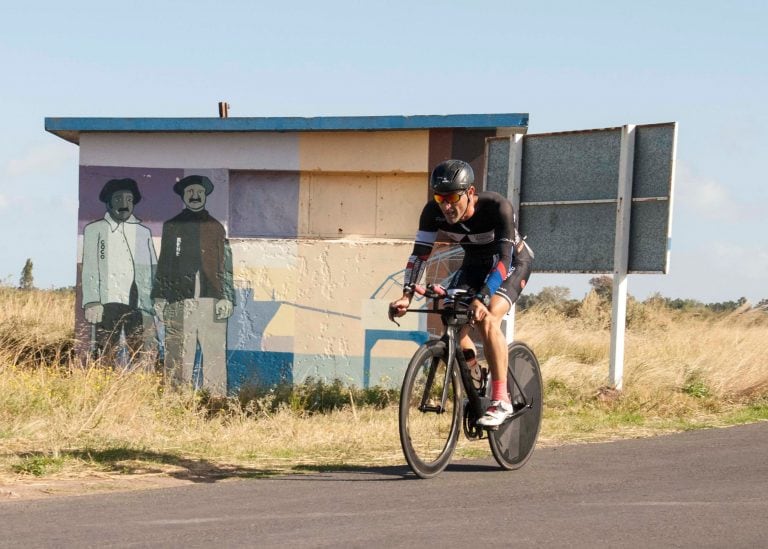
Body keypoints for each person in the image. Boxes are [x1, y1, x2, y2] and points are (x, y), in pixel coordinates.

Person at [389, 159, 533, 427]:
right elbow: (419, 255)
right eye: (440, 198)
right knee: (452, 318)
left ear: (469, 192)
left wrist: (483, 297)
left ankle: (501, 399)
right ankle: (476, 379)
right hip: (474, 266)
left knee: (488, 318)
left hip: (511, 265)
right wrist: (406, 295)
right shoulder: (432, 212)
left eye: (453, 197)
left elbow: (504, 258)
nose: (446, 206)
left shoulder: (496, 207)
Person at [152, 175, 235, 397]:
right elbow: (165, 262)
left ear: (205, 195)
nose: (195, 196)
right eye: (190, 192)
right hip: (179, 299)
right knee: (178, 354)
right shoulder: (173, 226)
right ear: (183, 196)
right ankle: (175, 401)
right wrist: (159, 298)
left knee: (215, 354)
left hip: (212, 299)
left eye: (199, 192)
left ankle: (216, 401)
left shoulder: (216, 227)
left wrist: (227, 297)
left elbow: (225, 264)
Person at [81, 178, 158, 363]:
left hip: (140, 303)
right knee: (105, 349)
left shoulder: (143, 232)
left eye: (129, 200)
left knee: (142, 350)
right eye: (118, 199)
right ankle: (105, 384)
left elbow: (153, 267)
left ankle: (138, 387)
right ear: (108, 202)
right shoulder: (96, 230)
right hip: (108, 301)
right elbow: (90, 267)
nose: (124, 204)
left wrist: (156, 299)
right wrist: (92, 301)